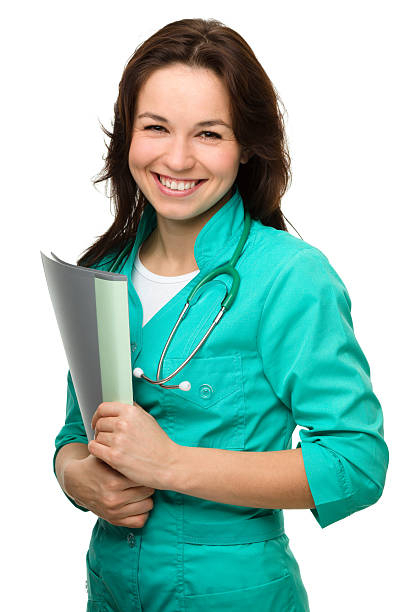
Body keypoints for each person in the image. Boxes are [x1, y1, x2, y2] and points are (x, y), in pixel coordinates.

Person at [53, 18, 389, 612]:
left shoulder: (290, 277)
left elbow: (356, 463)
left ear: (246, 146)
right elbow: (78, 434)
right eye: (156, 127)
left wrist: (172, 465)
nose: (177, 158)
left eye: (209, 133)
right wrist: (76, 477)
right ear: (127, 136)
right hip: (109, 588)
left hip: (231, 592)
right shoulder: (104, 270)